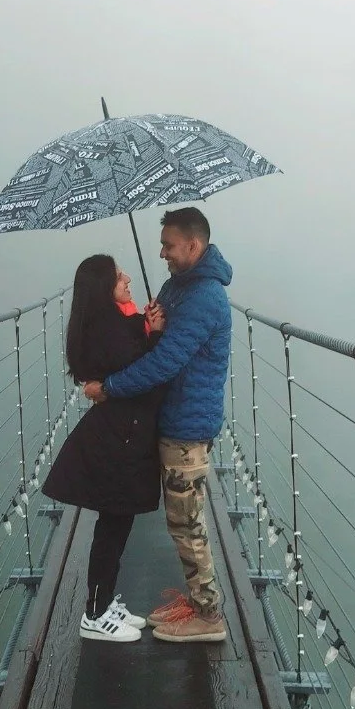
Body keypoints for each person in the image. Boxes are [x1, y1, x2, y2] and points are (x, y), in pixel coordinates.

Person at [83, 207, 232, 644]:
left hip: (186, 427)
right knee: (181, 521)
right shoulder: (178, 287)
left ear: (194, 245)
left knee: (187, 523)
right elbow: (160, 343)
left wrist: (109, 387)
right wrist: (152, 324)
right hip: (171, 419)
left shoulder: (205, 296)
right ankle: (199, 602)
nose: (161, 252)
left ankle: (209, 616)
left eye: (168, 245)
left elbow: (165, 362)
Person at [41, 255, 166, 642]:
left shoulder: (107, 324)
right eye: (118, 276)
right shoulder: (106, 329)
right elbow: (143, 370)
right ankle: (94, 614)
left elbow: (128, 357)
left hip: (122, 434)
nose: (127, 278)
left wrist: (143, 323)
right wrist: (155, 332)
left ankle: (104, 601)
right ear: (102, 287)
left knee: (117, 521)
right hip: (119, 439)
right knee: (113, 522)